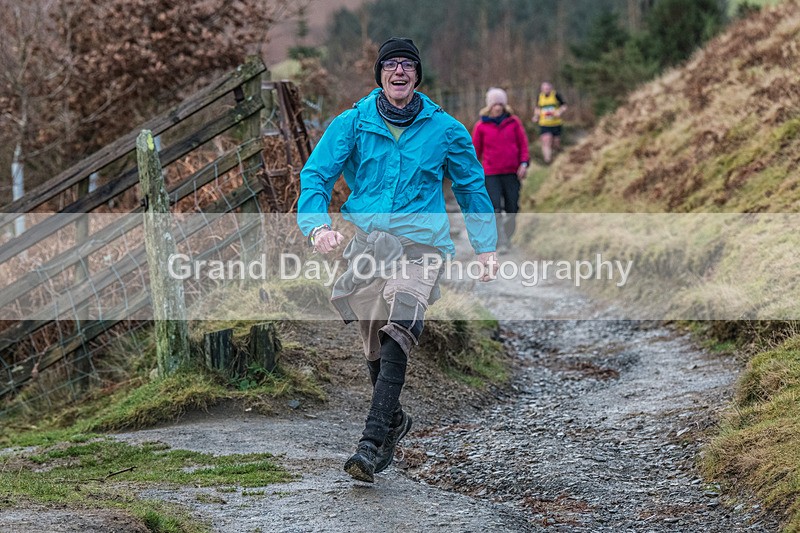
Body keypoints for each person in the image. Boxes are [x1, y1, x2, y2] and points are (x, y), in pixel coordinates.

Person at [297, 37, 498, 483]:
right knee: (375, 341)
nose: (399, 72)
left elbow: (471, 188)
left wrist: (486, 247)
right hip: (368, 247)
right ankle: (395, 420)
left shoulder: (446, 130)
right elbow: (315, 176)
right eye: (391, 65)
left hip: (422, 247)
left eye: (408, 65)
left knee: (402, 321)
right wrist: (318, 226)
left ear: (417, 75)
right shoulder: (351, 123)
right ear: (380, 74)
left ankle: (370, 443)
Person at [471, 87, 530, 250]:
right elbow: (475, 152)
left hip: (512, 173)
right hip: (491, 174)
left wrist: (524, 163)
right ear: (489, 106)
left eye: (500, 104)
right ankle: (501, 241)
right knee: (494, 209)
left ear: (504, 105)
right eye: (494, 104)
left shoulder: (514, 122)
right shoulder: (481, 126)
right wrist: (471, 172)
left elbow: (523, 144)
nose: (498, 107)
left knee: (512, 209)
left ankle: (507, 237)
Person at [532, 81, 567, 164]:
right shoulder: (540, 97)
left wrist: (559, 111)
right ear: (541, 90)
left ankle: (559, 155)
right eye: (544, 89)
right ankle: (547, 160)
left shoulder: (556, 95)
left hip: (556, 123)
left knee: (556, 143)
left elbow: (564, 105)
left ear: (551, 88)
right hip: (544, 123)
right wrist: (536, 116)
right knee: (546, 140)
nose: (546, 90)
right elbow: (537, 108)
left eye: (547, 88)